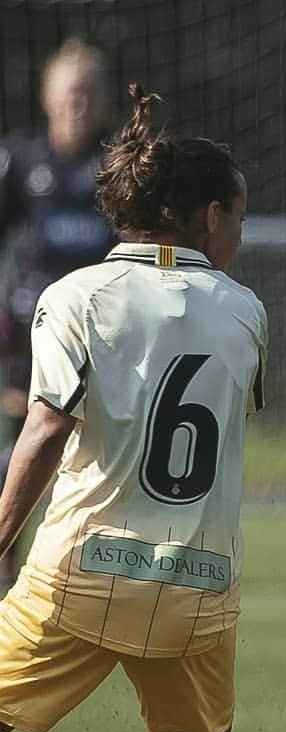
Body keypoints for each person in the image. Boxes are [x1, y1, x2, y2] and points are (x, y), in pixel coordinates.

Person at [0, 85, 286, 732]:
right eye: (238, 215)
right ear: (204, 215)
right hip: (199, 585)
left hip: (83, 572)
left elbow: (47, 431)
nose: (241, 233)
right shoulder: (244, 311)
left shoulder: (74, 295)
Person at [0, 39, 116, 585]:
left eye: (89, 94)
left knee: (91, 464)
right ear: (47, 97)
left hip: (102, 340)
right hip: (29, 341)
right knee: (18, 458)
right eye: (70, 93)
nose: (79, 104)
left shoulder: (116, 164)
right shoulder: (20, 160)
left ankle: (83, 575)